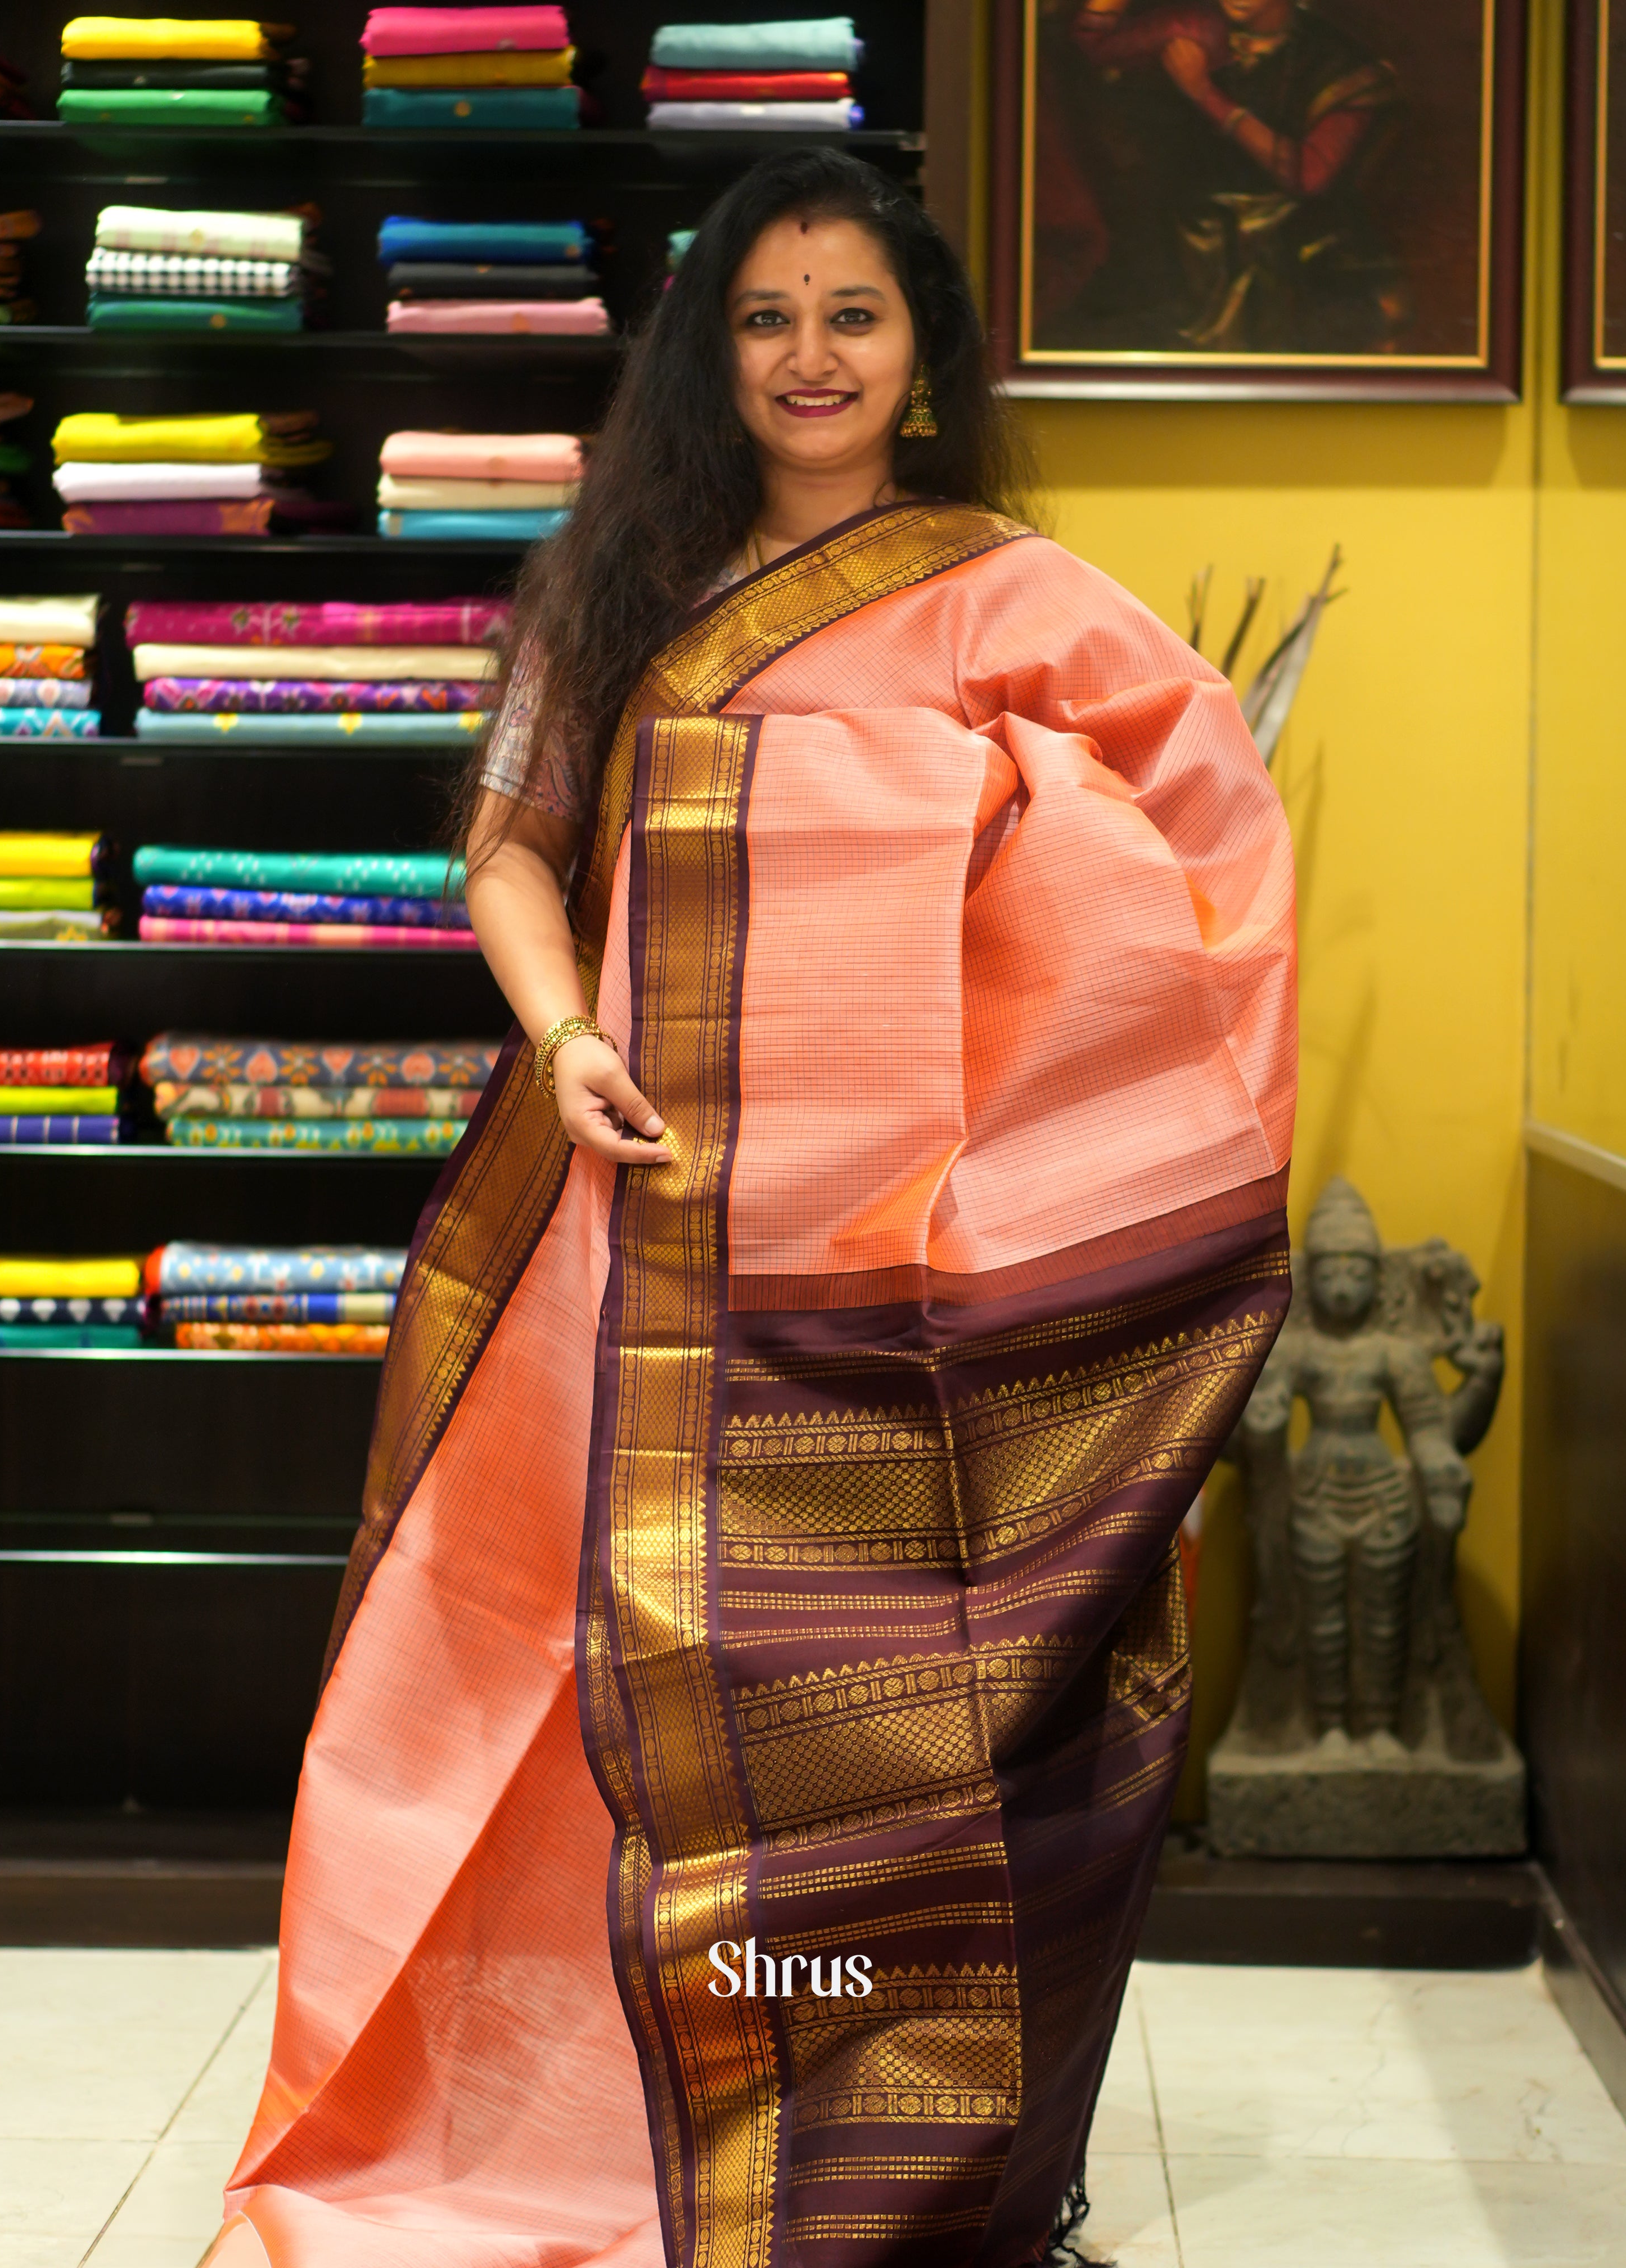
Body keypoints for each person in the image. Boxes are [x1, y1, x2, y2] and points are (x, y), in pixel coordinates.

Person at [201, 148, 1296, 2268]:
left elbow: (1202, 890)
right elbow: (508, 852)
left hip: (905, 1294)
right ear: (710, 353)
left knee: (893, 1713)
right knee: (536, 1700)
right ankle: (569, 2120)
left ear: (922, 353)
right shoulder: (619, 580)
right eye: (763, 317)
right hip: (614, 1247)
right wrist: (561, 1033)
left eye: (851, 314)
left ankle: (876, 2156)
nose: (809, 356)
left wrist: (982, 824)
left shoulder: (1022, 601)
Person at [1039, 0, 1403, 353]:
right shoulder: (1194, 26)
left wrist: (1205, 94)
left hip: (1296, 252)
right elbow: (1092, 45)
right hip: (1188, 243)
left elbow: (1308, 175)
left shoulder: (1342, 64)